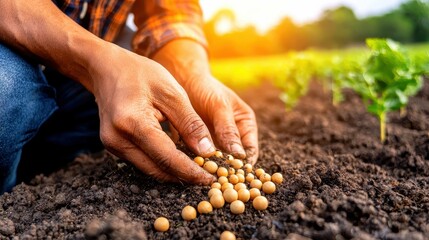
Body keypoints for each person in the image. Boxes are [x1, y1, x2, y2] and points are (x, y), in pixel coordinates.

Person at [0, 0, 258, 193]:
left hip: (91, 50)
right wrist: (96, 62)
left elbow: (167, 12)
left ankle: (40, 156)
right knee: (6, 93)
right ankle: (10, 201)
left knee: (154, 101)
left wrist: (190, 76)